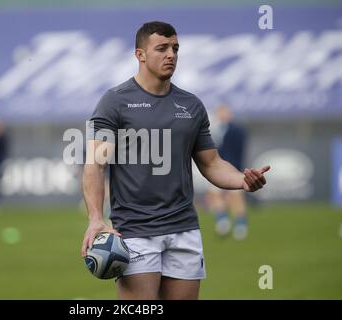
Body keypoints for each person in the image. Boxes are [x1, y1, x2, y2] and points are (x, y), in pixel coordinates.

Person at [81, 21, 270, 300]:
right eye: (162, 48)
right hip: (134, 232)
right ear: (140, 54)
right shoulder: (115, 102)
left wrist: (241, 180)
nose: (171, 54)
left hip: (185, 230)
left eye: (175, 48)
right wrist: (96, 217)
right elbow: (95, 164)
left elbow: (211, 163)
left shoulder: (191, 105)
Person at [206, 104, 249, 240]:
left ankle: (240, 226)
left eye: (224, 112)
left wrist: (237, 170)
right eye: (219, 112)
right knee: (214, 193)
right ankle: (222, 221)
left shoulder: (237, 130)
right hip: (218, 170)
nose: (221, 115)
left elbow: (239, 151)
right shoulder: (214, 130)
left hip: (233, 169)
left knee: (235, 197)